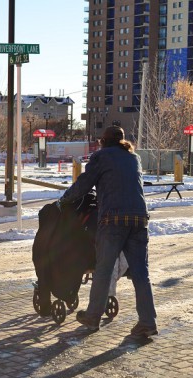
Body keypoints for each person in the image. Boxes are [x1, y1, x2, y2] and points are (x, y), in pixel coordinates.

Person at [58, 125, 158, 337]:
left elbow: (83, 184)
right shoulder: (134, 158)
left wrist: (64, 200)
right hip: (140, 220)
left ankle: (93, 316)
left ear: (104, 141)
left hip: (113, 220)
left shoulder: (101, 157)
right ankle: (147, 322)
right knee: (141, 273)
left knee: (103, 269)